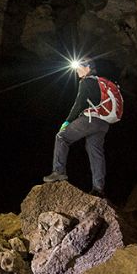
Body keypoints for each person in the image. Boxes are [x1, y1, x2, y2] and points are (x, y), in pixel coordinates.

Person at [43, 59, 108, 198]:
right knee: (96, 153)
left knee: (61, 137)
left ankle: (58, 172)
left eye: (79, 67)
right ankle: (98, 189)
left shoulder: (86, 82)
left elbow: (78, 105)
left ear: (88, 68)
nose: (77, 70)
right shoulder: (100, 82)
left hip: (90, 119)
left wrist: (67, 122)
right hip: (103, 123)